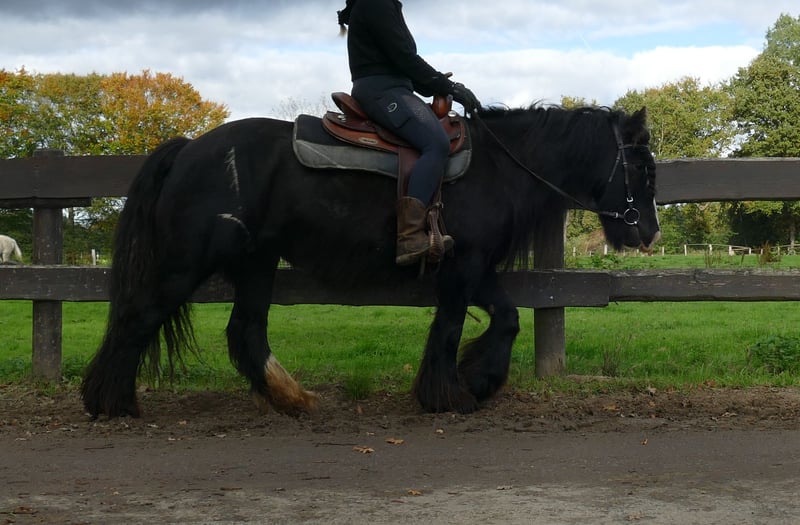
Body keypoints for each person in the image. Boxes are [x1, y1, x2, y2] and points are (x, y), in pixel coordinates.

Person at [337, 0, 480, 266]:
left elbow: (402, 63)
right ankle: (410, 236)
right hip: (383, 91)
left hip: (394, 87)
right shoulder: (376, 3)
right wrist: (448, 86)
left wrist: (440, 85)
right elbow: (404, 56)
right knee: (436, 143)